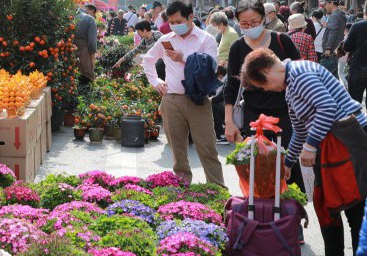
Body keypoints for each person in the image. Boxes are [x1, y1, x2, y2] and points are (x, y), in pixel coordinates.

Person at [241, 47, 367, 256]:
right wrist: (287, 163)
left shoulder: (300, 75)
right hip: (332, 145)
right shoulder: (290, 86)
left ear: (266, 71)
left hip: (347, 142)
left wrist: (310, 146)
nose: (267, 90)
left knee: (355, 207)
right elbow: (300, 130)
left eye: (262, 85)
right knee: (327, 208)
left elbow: (327, 107)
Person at [222, 0, 306, 242]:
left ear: (264, 19)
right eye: (244, 23)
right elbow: (231, 85)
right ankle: (261, 216)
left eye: (254, 22)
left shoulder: (282, 40)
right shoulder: (238, 47)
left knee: (289, 167)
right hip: (253, 117)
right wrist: (229, 121)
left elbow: (298, 75)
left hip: (286, 113)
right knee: (256, 167)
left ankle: (293, 221)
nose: (249, 27)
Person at [141, 0, 225, 187]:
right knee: (178, 151)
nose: (174, 26)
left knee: (208, 149)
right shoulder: (166, 40)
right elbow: (147, 60)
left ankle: (218, 191)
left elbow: (210, 68)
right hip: (172, 100)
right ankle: (183, 192)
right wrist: (156, 82)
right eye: (171, 22)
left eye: (178, 21)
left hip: (198, 100)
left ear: (190, 18)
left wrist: (183, 58)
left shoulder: (206, 39)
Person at [345, 1, 367, 105]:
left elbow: (347, 47)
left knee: (354, 102)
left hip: (358, 68)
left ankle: (358, 121)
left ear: (364, 11)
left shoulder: (357, 26)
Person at [75, 4, 98, 95]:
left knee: (75, 74)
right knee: (86, 75)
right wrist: (93, 58)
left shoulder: (72, 16)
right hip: (84, 51)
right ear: (92, 11)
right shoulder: (90, 19)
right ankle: (85, 99)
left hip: (71, 50)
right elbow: (92, 42)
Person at [321, 0, 347, 77]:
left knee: (329, 76)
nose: (325, 6)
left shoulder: (335, 15)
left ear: (331, 3)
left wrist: (328, 48)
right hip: (338, 48)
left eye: (326, 4)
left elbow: (332, 33)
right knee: (335, 74)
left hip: (332, 50)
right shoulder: (339, 14)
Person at [337, 23, 351, 88]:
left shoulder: (345, 38)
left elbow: (340, 51)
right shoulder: (353, 38)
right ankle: (346, 85)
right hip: (349, 59)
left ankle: (346, 86)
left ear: (345, 31)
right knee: (345, 73)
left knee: (340, 73)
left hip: (342, 59)